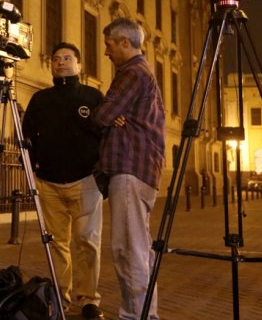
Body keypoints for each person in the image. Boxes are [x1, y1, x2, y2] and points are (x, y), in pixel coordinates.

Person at [22, 42, 106, 319]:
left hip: (85, 181)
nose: (60, 62)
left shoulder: (93, 97)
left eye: (67, 58)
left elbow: (106, 136)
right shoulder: (40, 99)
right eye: (56, 58)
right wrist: (35, 166)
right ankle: (60, 295)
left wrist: (101, 171)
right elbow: (27, 136)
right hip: (49, 183)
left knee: (87, 241)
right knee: (57, 242)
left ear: (79, 65)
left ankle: (89, 299)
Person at [90, 17, 165, 320]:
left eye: (109, 45)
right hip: (140, 170)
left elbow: (102, 115)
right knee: (138, 250)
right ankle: (146, 314)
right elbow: (110, 116)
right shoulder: (143, 73)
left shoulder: (132, 72)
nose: (106, 52)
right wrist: (111, 116)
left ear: (124, 42)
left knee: (128, 251)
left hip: (130, 170)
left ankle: (136, 316)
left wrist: (106, 113)